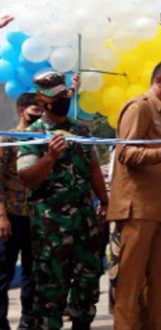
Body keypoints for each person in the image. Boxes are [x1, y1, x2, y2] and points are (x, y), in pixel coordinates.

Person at [17, 72, 108, 330]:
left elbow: (92, 168)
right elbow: (27, 177)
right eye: (56, 95)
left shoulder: (81, 130)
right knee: (50, 289)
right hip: (51, 226)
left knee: (87, 284)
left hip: (84, 222)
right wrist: (50, 158)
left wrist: (104, 200)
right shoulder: (34, 134)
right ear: (42, 99)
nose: (62, 98)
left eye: (64, 93)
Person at [108, 60, 161, 330]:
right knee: (130, 287)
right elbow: (126, 153)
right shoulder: (139, 107)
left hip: (159, 210)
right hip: (136, 210)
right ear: (159, 81)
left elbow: (153, 162)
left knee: (157, 287)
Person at [0, 93, 43, 330]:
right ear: (21, 111)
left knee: (32, 274)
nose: (38, 115)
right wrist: (2, 216)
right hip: (11, 216)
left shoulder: (42, 141)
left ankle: (28, 321)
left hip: (36, 216)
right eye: (34, 110)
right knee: (3, 275)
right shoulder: (8, 139)